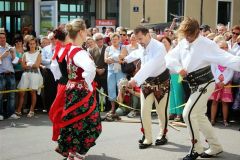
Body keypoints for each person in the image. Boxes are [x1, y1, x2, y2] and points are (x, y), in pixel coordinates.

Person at [165, 17, 240, 160]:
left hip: (205, 83)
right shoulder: (183, 42)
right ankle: (216, 146)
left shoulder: (207, 44)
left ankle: (196, 148)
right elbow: (169, 58)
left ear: (196, 32)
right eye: (184, 34)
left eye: (189, 34)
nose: (187, 37)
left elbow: (228, 58)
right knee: (199, 117)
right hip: (193, 84)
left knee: (187, 114)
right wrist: (178, 68)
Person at [54, 19, 101, 160]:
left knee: (76, 124)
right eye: (86, 30)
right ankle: (78, 154)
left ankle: (73, 153)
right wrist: (87, 83)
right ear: (80, 32)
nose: (87, 32)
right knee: (94, 125)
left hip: (72, 90)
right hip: (81, 92)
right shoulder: (80, 52)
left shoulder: (70, 50)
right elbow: (90, 69)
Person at [128, 26, 170, 149]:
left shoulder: (159, 47)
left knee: (161, 112)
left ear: (148, 35)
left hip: (161, 82)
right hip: (146, 82)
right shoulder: (142, 45)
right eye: (137, 39)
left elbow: (150, 66)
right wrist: (124, 58)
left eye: (140, 38)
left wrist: (135, 80)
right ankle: (147, 137)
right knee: (144, 111)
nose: (139, 41)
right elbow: (137, 53)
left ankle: (163, 135)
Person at [16, 37, 43, 117]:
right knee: (21, 92)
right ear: (28, 44)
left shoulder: (38, 53)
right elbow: (23, 66)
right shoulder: (25, 54)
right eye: (30, 44)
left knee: (32, 92)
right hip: (26, 74)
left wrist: (28, 64)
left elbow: (37, 65)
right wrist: (31, 65)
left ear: (36, 44)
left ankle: (31, 110)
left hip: (35, 75)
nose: (32, 45)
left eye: (33, 43)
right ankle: (18, 110)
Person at [209, 40, 233, 127]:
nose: (223, 49)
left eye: (225, 47)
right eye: (221, 47)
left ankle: (225, 120)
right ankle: (212, 119)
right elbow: (213, 70)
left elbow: (231, 72)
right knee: (214, 101)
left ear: (227, 48)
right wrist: (217, 81)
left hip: (227, 83)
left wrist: (225, 82)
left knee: (225, 102)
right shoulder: (215, 58)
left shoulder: (231, 58)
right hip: (217, 82)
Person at [0, 30, 19, 120]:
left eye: (4, 38)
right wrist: (2, 56)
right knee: (0, 95)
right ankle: (1, 114)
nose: (2, 39)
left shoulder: (11, 47)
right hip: (1, 74)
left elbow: (15, 63)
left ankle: (11, 113)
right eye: (0, 38)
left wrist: (13, 55)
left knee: (12, 95)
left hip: (11, 74)